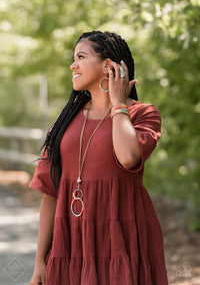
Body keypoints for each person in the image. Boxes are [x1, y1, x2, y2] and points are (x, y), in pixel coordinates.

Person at [29, 31, 168, 285]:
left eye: (81, 57)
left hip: (123, 237)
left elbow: (128, 158)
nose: (73, 65)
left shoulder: (143, 114)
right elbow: (50, 193)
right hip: (70, 243)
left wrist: (118, 103)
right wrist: (40, 261)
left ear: (107, 66)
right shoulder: (63, 125)